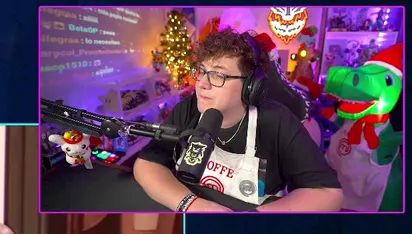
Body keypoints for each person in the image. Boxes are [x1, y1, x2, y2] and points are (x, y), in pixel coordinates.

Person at [134, 29, 342, 212]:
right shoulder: (188, 108)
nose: (202, 83)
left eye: (218, 75)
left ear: (251, 87)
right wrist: (193, 205)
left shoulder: (277, 121)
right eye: (202, 71)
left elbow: (328, 194)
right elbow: (147, 164)